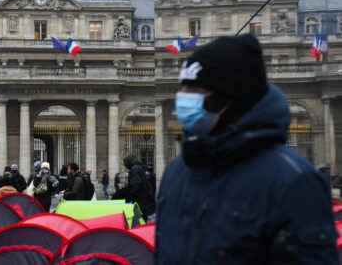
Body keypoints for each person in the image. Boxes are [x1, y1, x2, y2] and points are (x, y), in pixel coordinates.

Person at [156, 34, 337, 264]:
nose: (182, 100)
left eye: (195, 91)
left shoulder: (295, 182)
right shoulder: (177, 172)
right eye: (183, 89)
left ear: (229, 99)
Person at [123, 156, 155, 221]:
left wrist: (129, 197)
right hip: (145, 199)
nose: (124, 165)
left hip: (140, 200)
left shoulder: (134, 169)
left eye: (125, 163)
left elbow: (136, 185)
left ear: (129, 162)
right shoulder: (139, 168)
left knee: (140, 220)